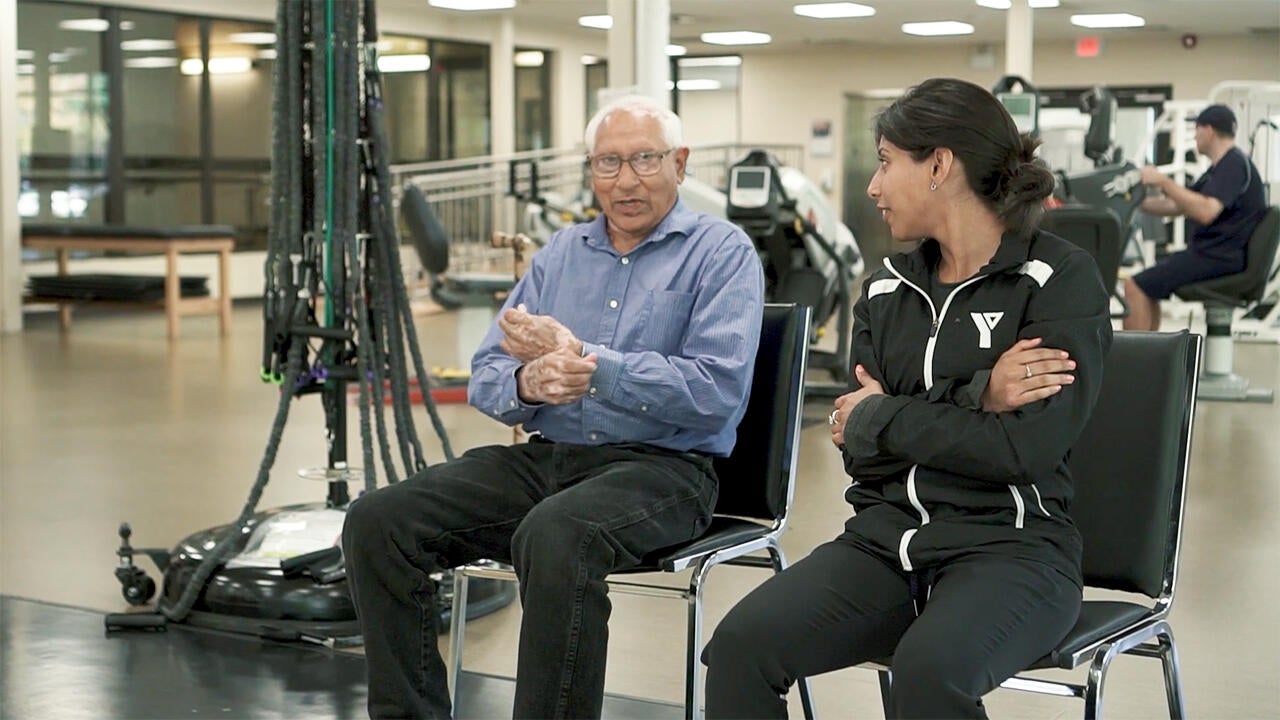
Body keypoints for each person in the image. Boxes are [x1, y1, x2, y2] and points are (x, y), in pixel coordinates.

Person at [342, 94, 765, 719]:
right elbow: (490, 371)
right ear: (589, 170)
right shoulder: (562, 254)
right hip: (550, 459)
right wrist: (529, 384)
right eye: (608, 163)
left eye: (644, 160)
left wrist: (592, 365)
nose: (625, 180)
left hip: (667, 470)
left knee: (558, 534)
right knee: (378, 520)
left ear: (680, 162)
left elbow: (715, 390)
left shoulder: (722, 253)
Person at [702, 78, 1113, 719]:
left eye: (887, 162)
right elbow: (860, 453)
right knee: (737, 649)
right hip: (883, 542)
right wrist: (978, 394)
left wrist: (884, 415)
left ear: (940, 166)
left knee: (929, 674)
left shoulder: (1057, 278)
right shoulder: (886, 287)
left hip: (1014, 552)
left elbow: (1022, 450)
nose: (874, 186)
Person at [1123, 104, 1268, 330]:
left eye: (1196, 130)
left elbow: (1205, 211)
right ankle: (1151, 358)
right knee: (1147, 286)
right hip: (1215, 254)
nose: (1195, 137)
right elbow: (1177, 205)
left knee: (1134, 286)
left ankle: (1136, 362)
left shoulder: (1234, 163)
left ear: (1208, 130)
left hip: (1219, 257)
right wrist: (1136, 203)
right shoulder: (1220, 168)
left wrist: (1161, 180)